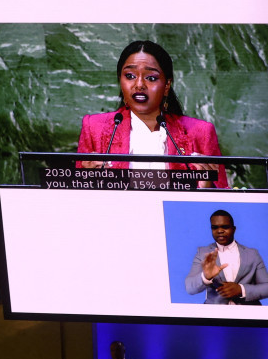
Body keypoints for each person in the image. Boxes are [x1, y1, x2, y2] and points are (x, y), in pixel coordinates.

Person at [76, 40, 228, 188]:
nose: (139, 85)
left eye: (151, 78)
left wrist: (204, 188)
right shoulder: (95, 128)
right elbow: (74, 197)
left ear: (167, 85)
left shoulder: (200, 132)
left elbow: (223, 207)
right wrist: (88, 181)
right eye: (130, 76)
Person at [185, 210, 268, 305]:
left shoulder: (252, 254)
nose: (220, 231)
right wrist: (205, 277)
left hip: (249, 314)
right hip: (215, 315)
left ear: (234, 229)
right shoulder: (203, 253)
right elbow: (190, 288)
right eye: (215, 228)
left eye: (225, 227)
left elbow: (266, 287)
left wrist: (241, 289)